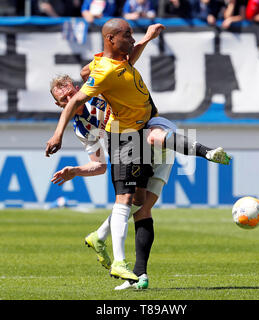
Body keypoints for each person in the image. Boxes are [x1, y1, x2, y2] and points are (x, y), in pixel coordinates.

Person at [45, 18, 231, 285]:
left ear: (76, 88)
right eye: (62, 100)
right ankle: (137, 273)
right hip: (128, 144)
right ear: (57, 103)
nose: (68, 101)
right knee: (138, 203)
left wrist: (146, 38)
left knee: (153, 144)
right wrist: (75, 170)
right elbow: (98, 165)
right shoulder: (82, 129)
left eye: (70, 94)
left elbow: (115, 64)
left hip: (146, 130)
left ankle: (206, 152)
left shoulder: (97, 84)